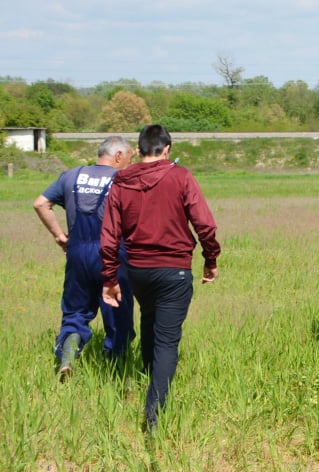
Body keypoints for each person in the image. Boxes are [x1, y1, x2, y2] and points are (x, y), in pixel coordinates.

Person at [100, 124, 221, 432]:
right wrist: (210, 259)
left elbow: (110, 235)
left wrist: (109, 277)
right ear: (167, 149)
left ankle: (146, 374)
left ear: (139, 151)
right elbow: (204, 224)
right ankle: (154, 414)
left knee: (149, 318)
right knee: (167, 340)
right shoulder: (181, 177)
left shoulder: (121, 181)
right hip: (175, 271)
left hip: (138, 271)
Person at [33, 135, 136, 380]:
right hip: (112, 255)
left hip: (77, 253)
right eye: (129, 159)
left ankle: (68, 359)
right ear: (118, 156)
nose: (129, 165)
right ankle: (116, 372)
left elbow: (40, 204)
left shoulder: (71, 175)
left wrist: (59, 236)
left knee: (75, 313)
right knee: (117, 314)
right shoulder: (123, 180)